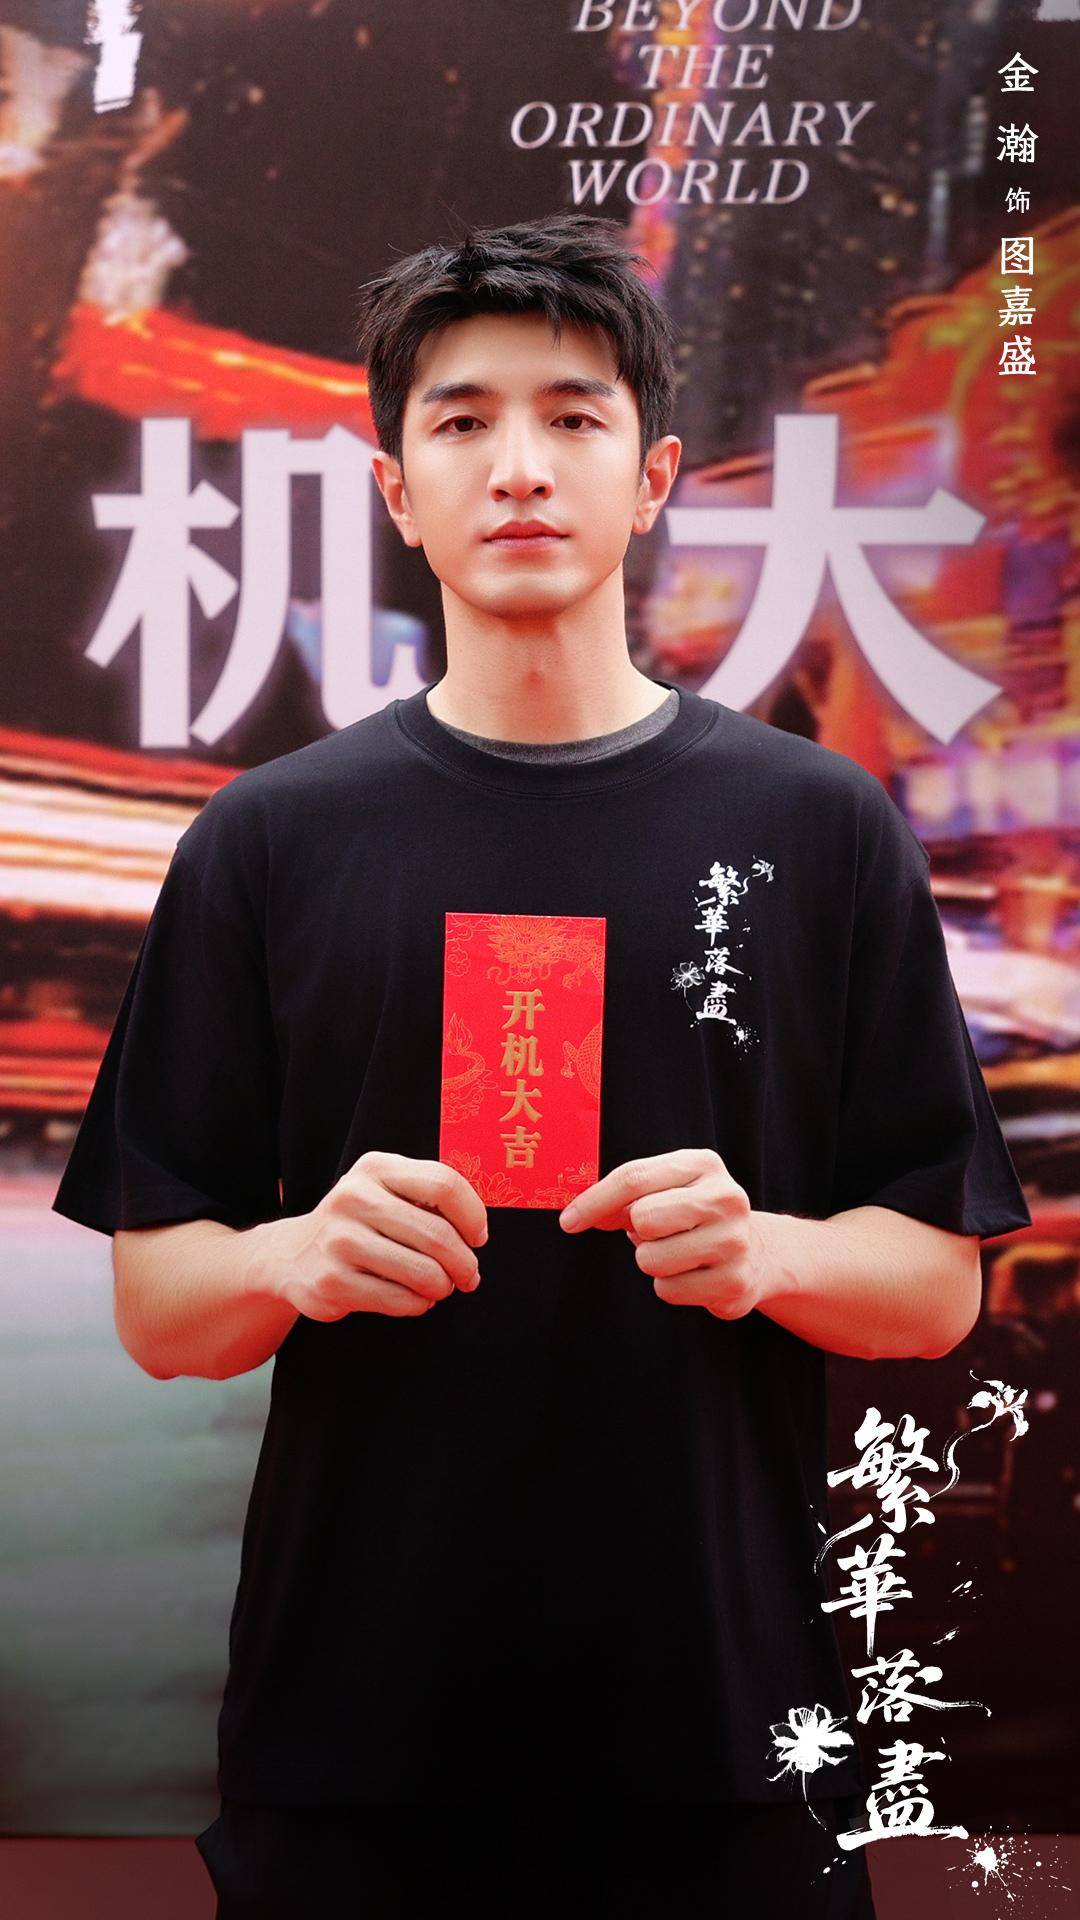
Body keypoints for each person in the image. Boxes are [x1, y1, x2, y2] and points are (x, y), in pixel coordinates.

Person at [52, 211, 1031, 1917]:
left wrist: (770, 1252)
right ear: (394, 488)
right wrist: (292, 1257)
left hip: (731, 1748)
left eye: (573, 417)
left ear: (652, 479)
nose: (519, 466)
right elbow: (160, 1310)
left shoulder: (819, 826)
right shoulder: (269, 841)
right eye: (463, 421)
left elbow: (937, 1288)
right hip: (351, 1757)